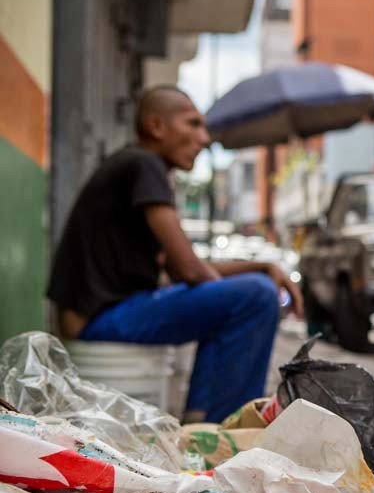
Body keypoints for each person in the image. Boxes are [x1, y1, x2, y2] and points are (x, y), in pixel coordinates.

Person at [47, 86, 303, 424]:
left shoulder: (134, 166)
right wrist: (239, 289)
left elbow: (183, 269)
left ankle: (203, 420)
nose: (204, 137)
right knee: (255, 297)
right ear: (156, 127)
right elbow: (191, 269)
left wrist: (261, 265)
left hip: (102, 315)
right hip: (99, 320)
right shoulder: (145, 164)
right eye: (192, 124)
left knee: (245, 293)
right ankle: (227, 426)